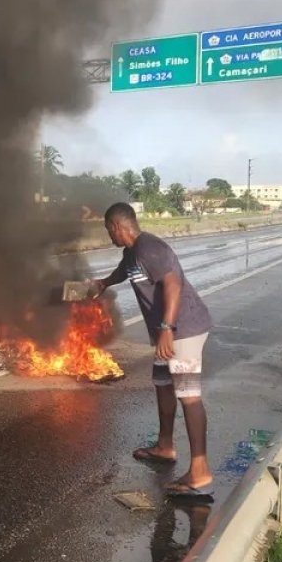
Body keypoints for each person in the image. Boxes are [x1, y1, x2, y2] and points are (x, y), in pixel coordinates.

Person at [89, 202, 213, 498]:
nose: (109, 237)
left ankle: (200, 470)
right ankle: (165, 446)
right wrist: (104, 283)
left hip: (183, 330)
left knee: (189, 396)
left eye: (109, 230)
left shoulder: (149, 248)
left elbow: (172, 283)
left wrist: (167, 329)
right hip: (165, 335)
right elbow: (125, 270)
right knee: (163, 385)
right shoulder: (132, 253)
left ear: (118, 226)